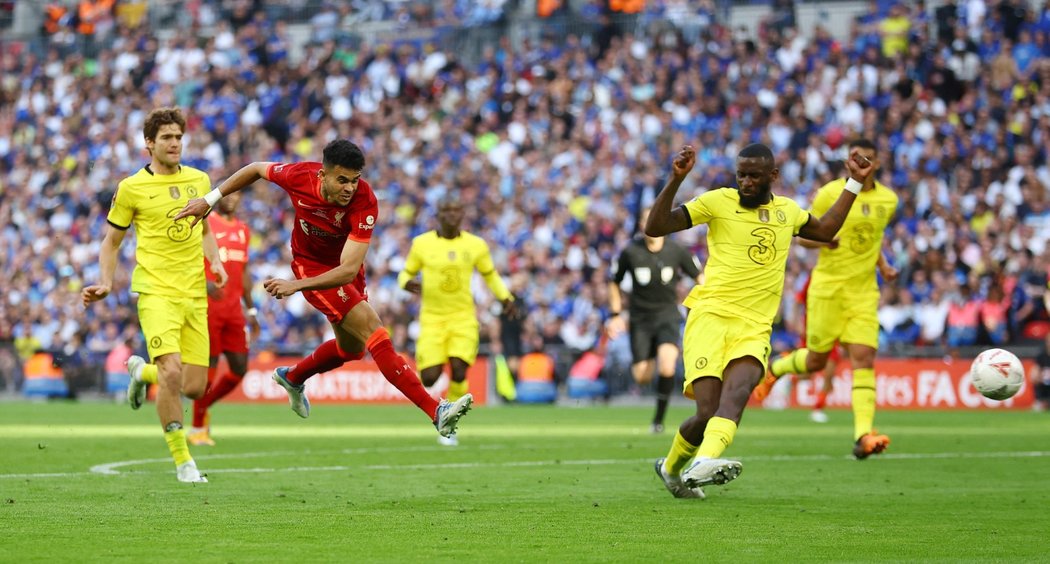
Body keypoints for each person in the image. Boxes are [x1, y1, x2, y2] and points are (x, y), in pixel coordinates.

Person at [175, 139, 473, 438]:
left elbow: (347, 270)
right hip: (310, 265)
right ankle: (436, 411)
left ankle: (292, 377)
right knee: (374, 330)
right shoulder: (299, 176)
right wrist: (210, 199)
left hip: (342, 271)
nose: (349, 188)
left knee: (351, 349)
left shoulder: (365, 199)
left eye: (354, 180)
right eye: (342, 180)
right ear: (323, 175)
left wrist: (295, 286)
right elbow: (255, 169)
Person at [647, 142, 873, 498]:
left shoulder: (788, 212)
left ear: (773, 176)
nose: (746, 182)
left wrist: (854, 184)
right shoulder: (717, 201)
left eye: (754, 175)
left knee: (735, 397)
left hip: (754, 327)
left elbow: (826, 230)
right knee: (706, 413)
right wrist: (676, 179)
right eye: (741, 175)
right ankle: (672, 469)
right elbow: (656, 226)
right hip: (710, 316)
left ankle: (703, 462)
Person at [82, 107, 227, 483]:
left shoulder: (200, 180)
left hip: (194, 294)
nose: (175, 143)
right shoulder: (132, 188)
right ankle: (184, 463)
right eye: (166, 137)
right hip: (156, 292)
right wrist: (106, 282)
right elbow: (111, 242)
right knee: (173, 371)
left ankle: (141, 372)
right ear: (149, 143)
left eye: (178, 136)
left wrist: (217, 262)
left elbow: (206, 230)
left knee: (194, 388)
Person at [752, 139, 899, 460]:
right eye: (855, 156)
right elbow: (804, 238)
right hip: (828, 288)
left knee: (863, 357)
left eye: (868, 157)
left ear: (877, 161)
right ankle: (775, 368)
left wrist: (884, 265)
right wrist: (823, 243)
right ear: (847, 160)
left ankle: (863, 435)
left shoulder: (889, 200)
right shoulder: (831, 193)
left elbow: (872, 239)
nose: (862, 161)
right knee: (817, 360)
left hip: (863, 292)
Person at [397, 194, 518, 446]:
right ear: (438, 215)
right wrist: (406, 283)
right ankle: (443, 410)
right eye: (447, 210)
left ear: (462, 215)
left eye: (457, 210)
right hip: (432, 319)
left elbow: (490, 275)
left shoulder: (475, 245)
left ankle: (449, 424)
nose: (452, 215)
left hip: (463, 318)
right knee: (429, 377)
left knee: (459, 367)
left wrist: (506, 298)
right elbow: (405, 273)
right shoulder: (422, 244)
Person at [607, 207, 703, 434]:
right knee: (642, 376)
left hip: (667, 316)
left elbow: (701, 278)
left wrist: (698, 303)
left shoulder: (677, 251)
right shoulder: (630, 252)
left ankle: (658, 420)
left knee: (668, 363)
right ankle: (647, 360)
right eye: (646, 220)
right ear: (641, 225)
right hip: (640, 319)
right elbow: (614, 282)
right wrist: (615, 315)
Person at [188, 191, 261, 446]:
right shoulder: (206, 223)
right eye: (227, 194)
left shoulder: (243, 230)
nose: (231, 199)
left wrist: (251, 311)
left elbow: (243, 272)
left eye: (237, 194)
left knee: (240, 368)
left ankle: (202, 405)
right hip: (209, 306)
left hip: (234, 310)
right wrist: (204, 283)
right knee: (209, 365)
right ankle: (197, 428)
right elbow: (188, 259)